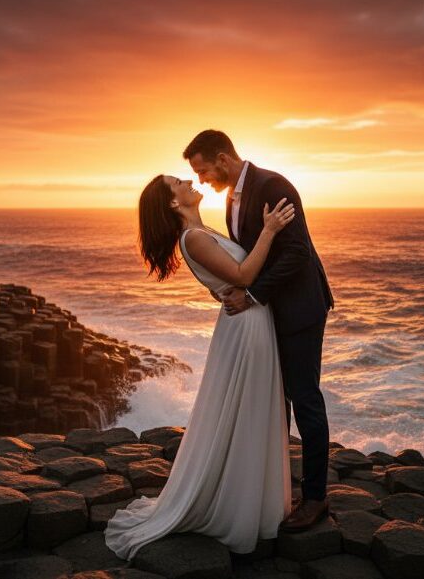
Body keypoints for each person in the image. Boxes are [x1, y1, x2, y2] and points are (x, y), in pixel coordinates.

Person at [104, 173, 296, 559]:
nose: (189, 180)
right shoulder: (192, 238)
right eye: (178, 182)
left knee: (248, 411)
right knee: (248, 411)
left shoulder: (200, 232)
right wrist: (271, 230)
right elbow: (243, 275)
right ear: (174, 203)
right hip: (246, 327)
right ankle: (237, 505)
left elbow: (222, 283)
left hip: (246, 321)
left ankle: (247, 497)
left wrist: (225, 286)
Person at [184, 130, 334, 532]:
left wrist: (250, 293)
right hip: (269, 312)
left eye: (202, 170)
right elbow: (250, 255)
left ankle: (316, 498)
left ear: (222, 157)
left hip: (299, 309)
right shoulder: (231, 197)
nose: (200, 180)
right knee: (274, 403)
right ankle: (275, 489)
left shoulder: (273, 185)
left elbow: (297, 253)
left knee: (304, 400)